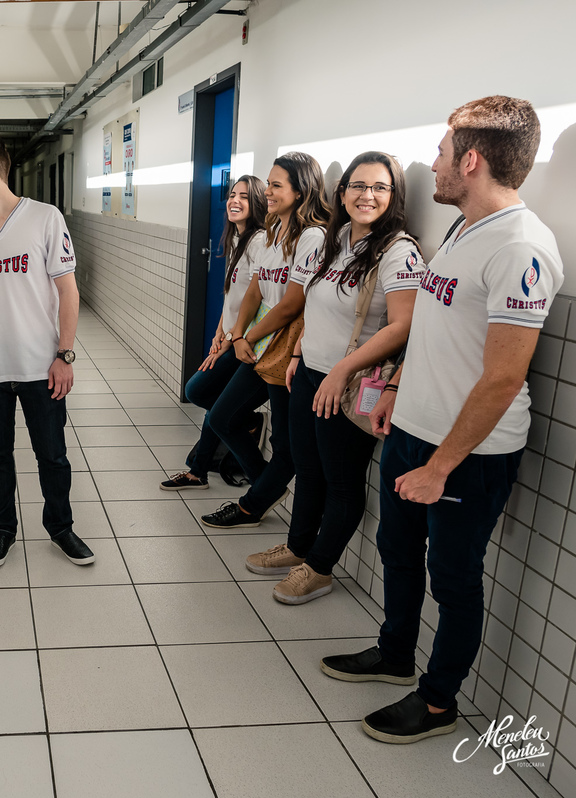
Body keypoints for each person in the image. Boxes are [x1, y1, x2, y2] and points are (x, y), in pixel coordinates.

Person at [322, 97, 562, 744]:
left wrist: (441, 464)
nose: (433, 166)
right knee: (397, 550)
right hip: (411, 431)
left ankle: (436, 700)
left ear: (473, 160)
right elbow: (435, 325)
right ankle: (395, 650)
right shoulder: (461, 228)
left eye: (441, 152)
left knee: (453, 578)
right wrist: (398, 387)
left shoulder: (522, 249)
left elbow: (504, 376)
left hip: (466, 456)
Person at [249, 152, 422, 604]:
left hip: (349, 385)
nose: (367, 196)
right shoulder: (336, 237)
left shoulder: (398, 251)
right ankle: (298, 545)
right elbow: (316, 302)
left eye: (379, 188)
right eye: (358, 186)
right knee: (307, 468)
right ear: (341, 193)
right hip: (309, 373)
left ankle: (320, 568)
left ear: (393, 195)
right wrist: (300, 353)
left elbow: (403, 326)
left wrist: (341, 369)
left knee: (341, 483)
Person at [0, 132, 94, 567]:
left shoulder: (45, 218)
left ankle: (61, 528)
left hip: (39, 363)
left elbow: (69, 292)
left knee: (52, 454)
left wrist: (64, 355)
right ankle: (2, 530)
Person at [200, 152, 330, 529]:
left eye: (276, 185)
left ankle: (252, 505)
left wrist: (248, 336)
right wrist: (238, 334)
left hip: (285, 351)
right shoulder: (274, 231)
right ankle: (264, 485)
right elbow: (256, 288)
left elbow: (292, 304)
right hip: (260, 346)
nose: (267, 192)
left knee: (288, 446)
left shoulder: (313, 237)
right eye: (269, 184)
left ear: (301, 189)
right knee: (222, 414)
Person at [161, 175, 267, 491]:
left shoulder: (260, 241)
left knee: (198, 391)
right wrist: (219, 333)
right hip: (232, 336)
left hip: (249, 342)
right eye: (232, 195)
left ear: (259, 203)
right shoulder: (236, 238)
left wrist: (233, 338)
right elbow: (233, 295)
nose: (234, 201)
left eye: (244, 197)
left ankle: (262, 473)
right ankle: (198, 470)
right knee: (215, 399)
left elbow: (257, 298)